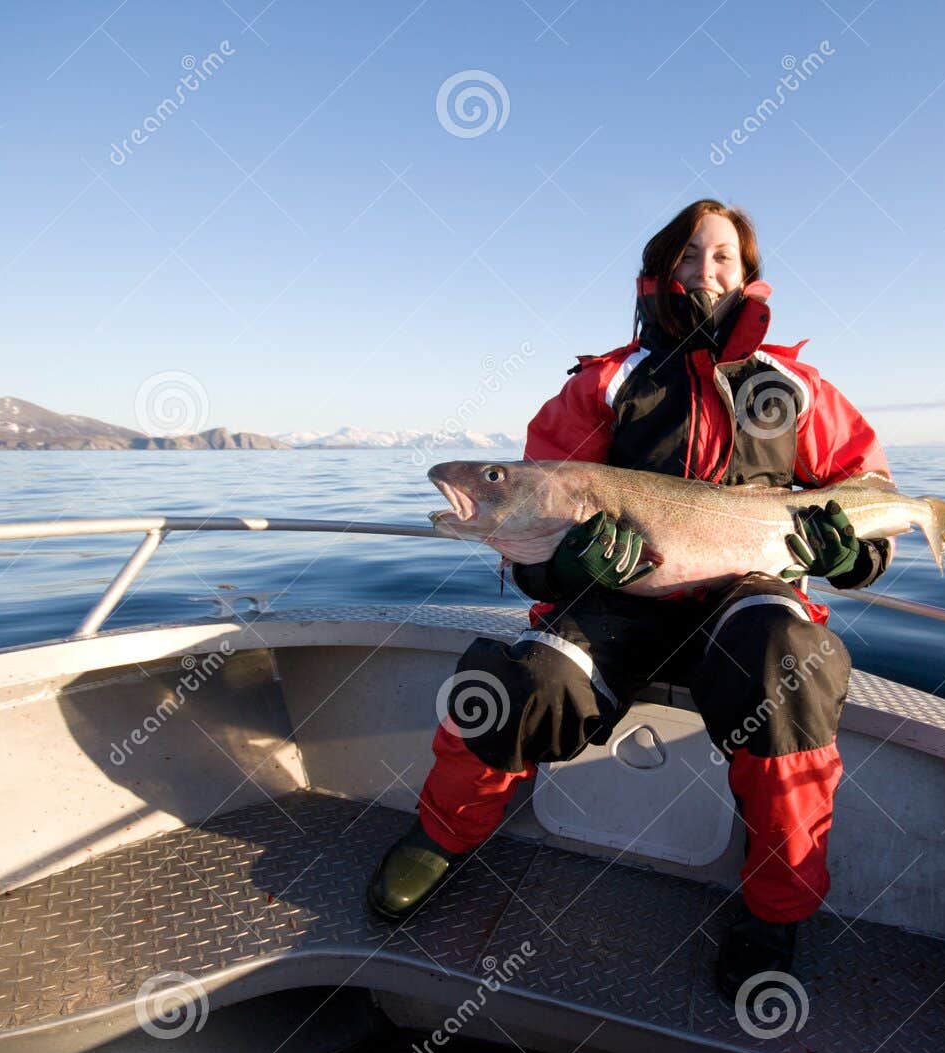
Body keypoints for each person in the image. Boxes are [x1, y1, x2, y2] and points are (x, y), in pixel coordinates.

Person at [367, 199, 895, 1003]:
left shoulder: (798, 388)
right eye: (689, 255)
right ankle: (441, 836)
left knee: (789, 673)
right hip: (620, 599)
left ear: (748, 276)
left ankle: (775, 910)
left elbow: (870, 485)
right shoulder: (605, 383)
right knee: (523, 682)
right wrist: (567, 563)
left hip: (749, 596)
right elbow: (538, 504)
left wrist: (857, 551)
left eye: (723, 257)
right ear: (659, 269)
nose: (706, 271)